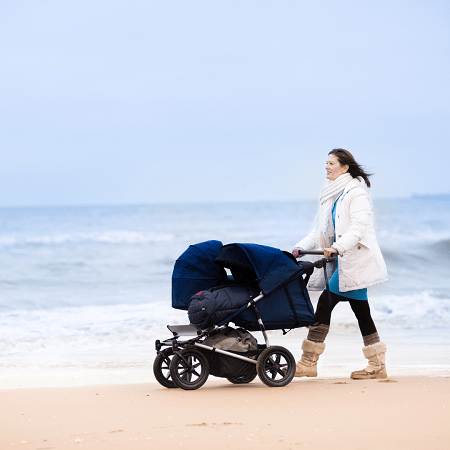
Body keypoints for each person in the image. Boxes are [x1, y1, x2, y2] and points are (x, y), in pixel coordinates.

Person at [292, 148, 388, 380]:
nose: (326, 167)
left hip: (353, 260)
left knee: (325, 303)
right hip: (339, 263)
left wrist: (338, 247)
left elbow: (358, 228)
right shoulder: (330, 195)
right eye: (325, 162)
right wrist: (297, 249)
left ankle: (308, 362)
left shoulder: (357, 194)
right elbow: (318, 231)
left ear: (344, 167)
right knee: (361, 312)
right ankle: (377, 364)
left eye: (331, 163)